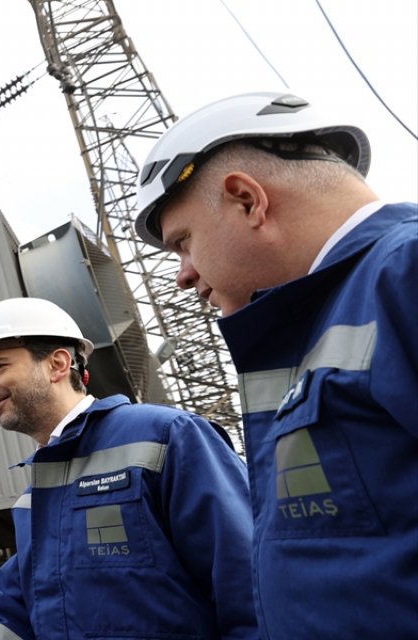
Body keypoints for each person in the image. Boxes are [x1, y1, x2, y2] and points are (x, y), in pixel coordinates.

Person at [134, 91, 418, 639]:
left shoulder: (404, 272)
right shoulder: (318, 328)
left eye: (184, 243)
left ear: (247, 200)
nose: (183, 275)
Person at [0, 298, 255, 640]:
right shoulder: (35, 497)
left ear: (57, 364)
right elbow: (16, 607)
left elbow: (247, 580)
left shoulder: (167, 436)